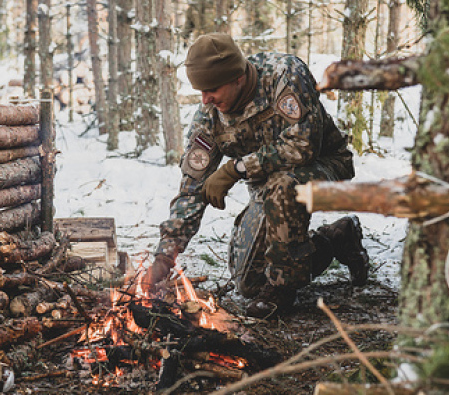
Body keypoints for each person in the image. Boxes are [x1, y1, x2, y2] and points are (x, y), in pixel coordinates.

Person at [146, 33, 371, 318]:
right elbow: (192, 187)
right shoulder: (210, 115)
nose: (205, 99)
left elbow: (303, 145)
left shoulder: (284, 75)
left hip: (323, 164)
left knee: (284, 185)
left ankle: (282, 289)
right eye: (200, 91)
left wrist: (236, 168)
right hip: (268, 188)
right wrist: (165, 256)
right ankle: (337, 238)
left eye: (212, 89)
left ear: (238, 77)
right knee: (249, 283)